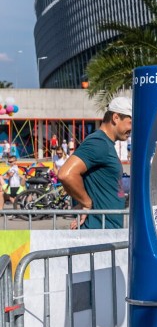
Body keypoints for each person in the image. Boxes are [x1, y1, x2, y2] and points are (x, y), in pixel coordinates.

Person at [58, 96, 133, 229]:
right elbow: (66, 174)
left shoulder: (105, 143)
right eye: (130, 123)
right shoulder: (99, 142)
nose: (132, 129)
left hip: (107, 229)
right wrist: (86, 203)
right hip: (98, 230)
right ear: (116, 118)